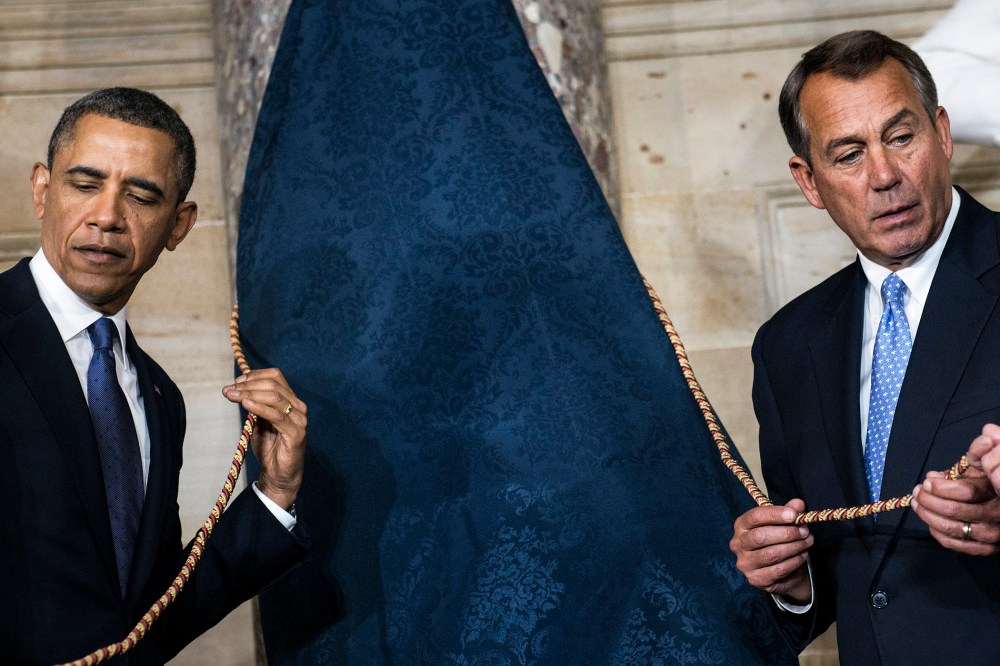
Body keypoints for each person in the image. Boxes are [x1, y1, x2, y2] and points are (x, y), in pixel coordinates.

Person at [0, 87, 310, 664]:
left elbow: (148, 620)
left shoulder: (160, 396)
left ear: (179, 224)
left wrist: (274, 495)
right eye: (85, 184)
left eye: (141, 196)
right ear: (42, 189)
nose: (108, 217)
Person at [729, 30, 1000, 664]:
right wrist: (791, 581)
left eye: (900, 137)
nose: (884, 175)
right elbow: (840, 575)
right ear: (809, 181)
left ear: (942, 134)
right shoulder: (787, 346)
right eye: (848, 154)